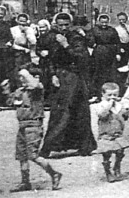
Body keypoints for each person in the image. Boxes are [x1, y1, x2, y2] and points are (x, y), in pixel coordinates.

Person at [40, 12, 97, 158]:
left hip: (74, 77)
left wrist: (65, 45)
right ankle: (52, 146)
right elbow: (51, 59)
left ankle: (84, 146)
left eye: (66, 25)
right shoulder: (54, 38)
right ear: (56, 25)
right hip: (60, 76)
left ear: (70, 25)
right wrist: (53, 75)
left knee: (77, 111)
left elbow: (82, 58)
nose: (64, 28)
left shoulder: (76, 38)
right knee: (59, 111)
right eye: (61, 25)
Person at [8, 66, 62, 192]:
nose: (21, 79)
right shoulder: (22, 90)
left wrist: (27, 74)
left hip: (33, 126)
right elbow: (12, 102)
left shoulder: (38, 89)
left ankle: (54, 173)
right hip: (22, 125)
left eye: (23, 76)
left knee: (33, 155)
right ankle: (25, 182)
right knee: (21, 155)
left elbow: (34, 84)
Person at [94, 82, 129, 183]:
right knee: (107, 153)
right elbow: (102, 115)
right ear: (103, 95)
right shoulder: (100, 105)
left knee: (120, 151)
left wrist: (126, 110)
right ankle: (108, 171)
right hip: (106, 134)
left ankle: (117, 167)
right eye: (109, 95)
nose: (112, 97)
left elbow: (124, 118)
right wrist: (109, 106)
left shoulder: (119, 105)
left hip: (118, 133)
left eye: (115, 95)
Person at [92, 14, 121, 99]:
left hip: (110, 53)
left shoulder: (112, 30)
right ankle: (97, 93)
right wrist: (93, 45)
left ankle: (112, 93)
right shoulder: (94, 30)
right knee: (98, 73)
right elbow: (89, 39)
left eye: (106, 22)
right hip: (99, 53)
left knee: (111, 73)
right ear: (99, 22)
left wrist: (118, 53)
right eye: (102, 22)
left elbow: (117, 42)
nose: (104, 24)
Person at [114, 12, 129, 90]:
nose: (121, 21)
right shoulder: (116, 29)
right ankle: (122, 85)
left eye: (123, 19)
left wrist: (127, 29)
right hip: (121, 47)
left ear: (127, 19)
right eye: (120, 20)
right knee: (122, 66)